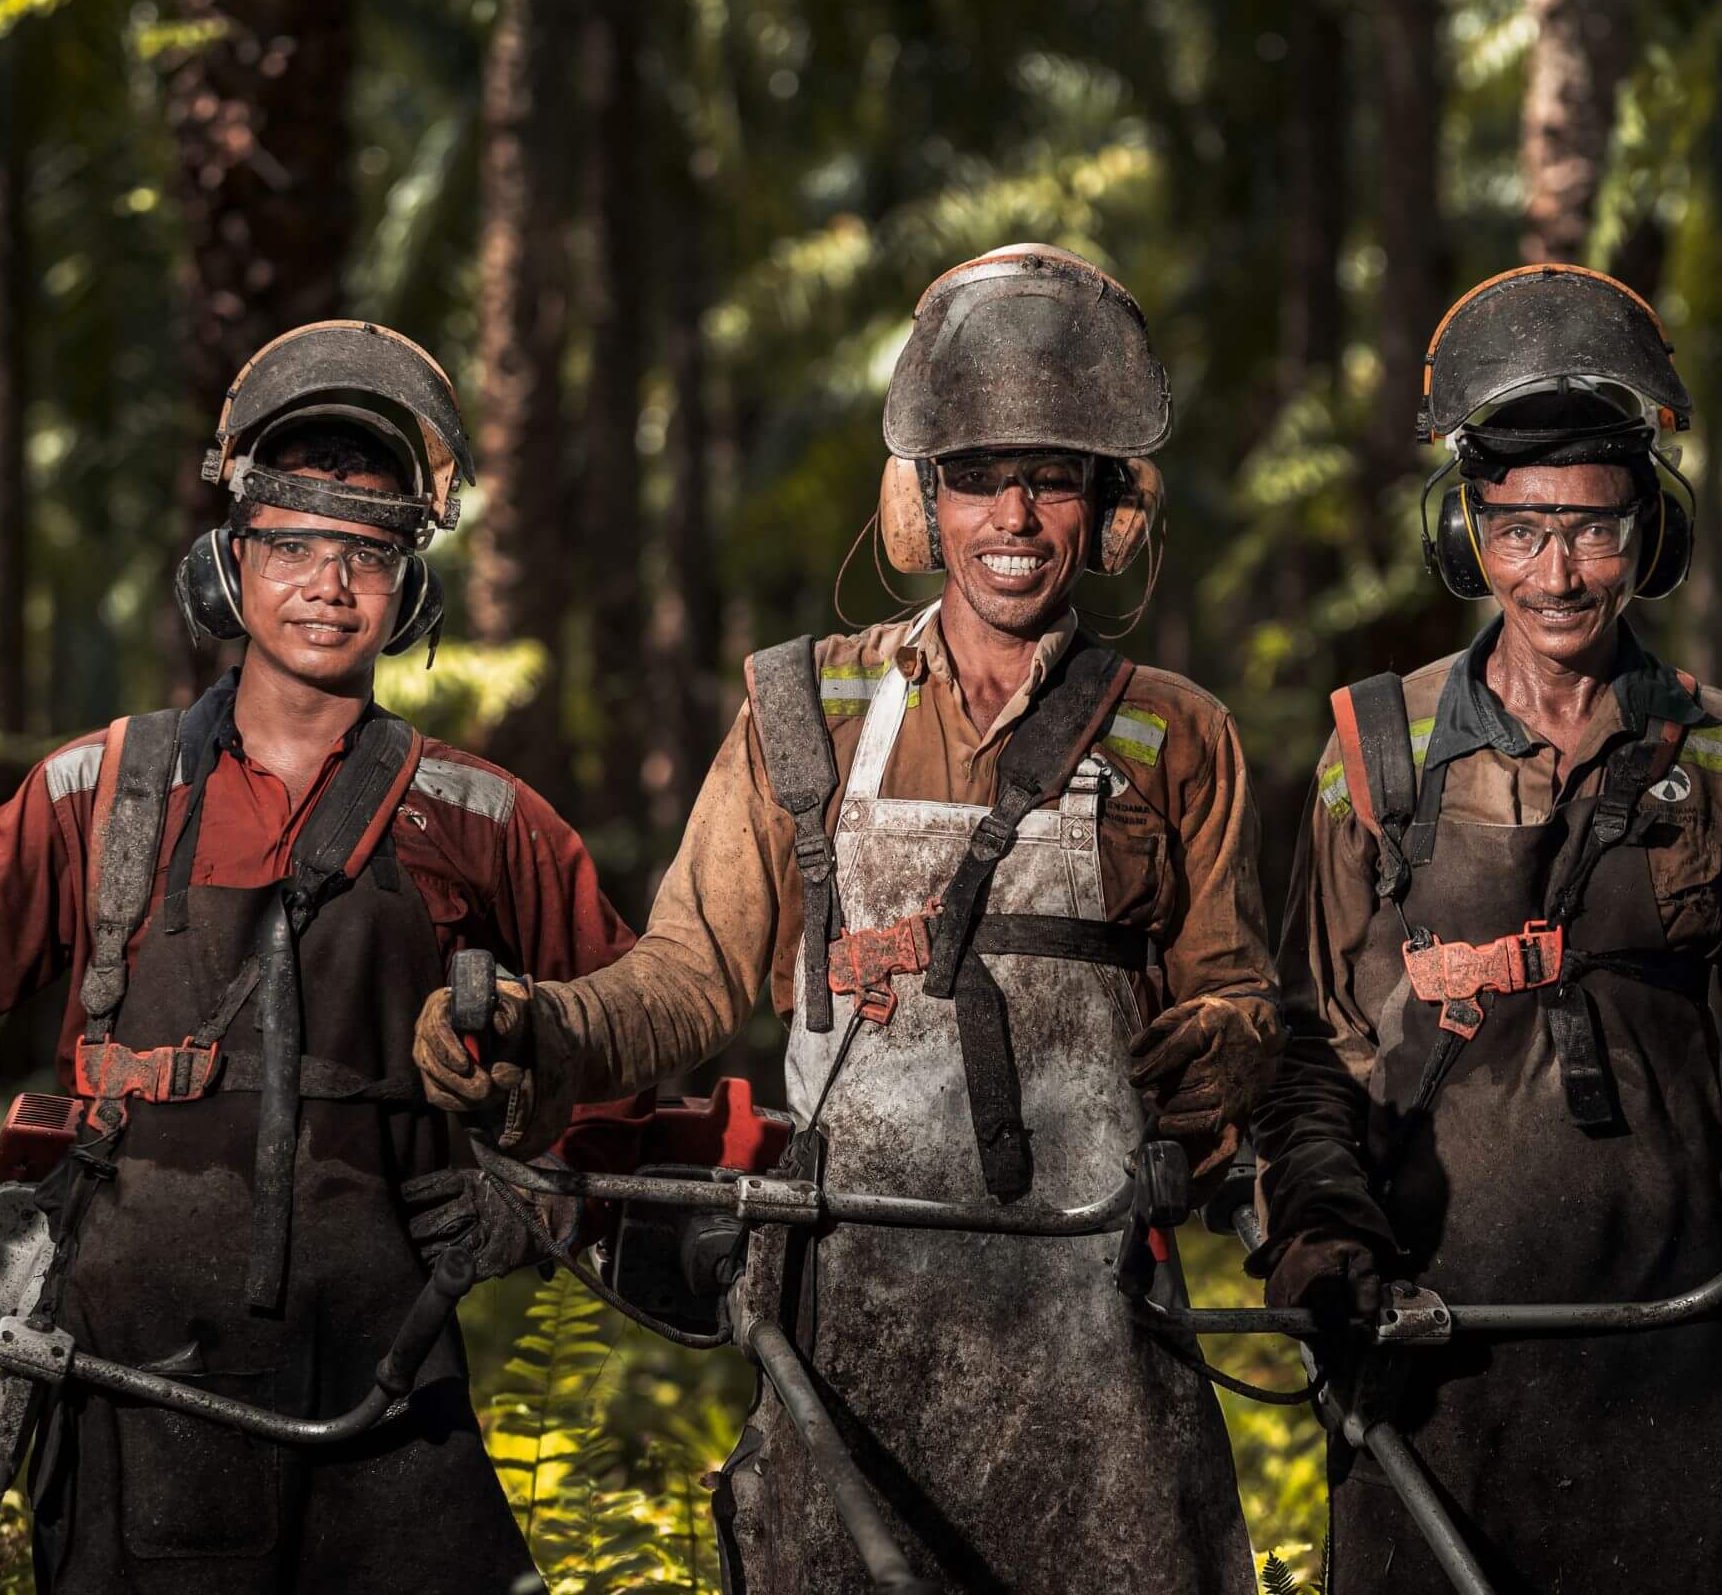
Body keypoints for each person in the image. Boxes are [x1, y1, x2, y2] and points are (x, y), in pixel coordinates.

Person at [0, 320, 631, 1593]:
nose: (327, 585)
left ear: (412, 587)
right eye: (292, 545)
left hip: (381, 1365)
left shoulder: (484, 816)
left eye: (366, 552)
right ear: (231, 564)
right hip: (132, 1355)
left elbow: (633, 1027)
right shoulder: (106, 788)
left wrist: (549, 1195)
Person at [416, 244, 1275, 1594]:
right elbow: (689, 976)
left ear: (1109, 511)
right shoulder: (800, 717)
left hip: (1099, 1342)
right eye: (978, 475)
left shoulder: (1180, 737)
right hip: (850, 1348)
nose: (1016, 517)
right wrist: (545, 1031)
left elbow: (1238, 997)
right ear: (915, 500)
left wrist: (1231, 1040)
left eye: (1053, 477)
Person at [1249, 263, 1722, 1593]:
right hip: (1431, 1362)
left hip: (1672, 1356)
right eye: (1522, 529)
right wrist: (1319, 1229)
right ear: (1468, 537)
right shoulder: (1375, 757)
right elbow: (1308, 1043)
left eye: (1594, 530)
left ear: (1649, 538)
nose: (1557, 572)